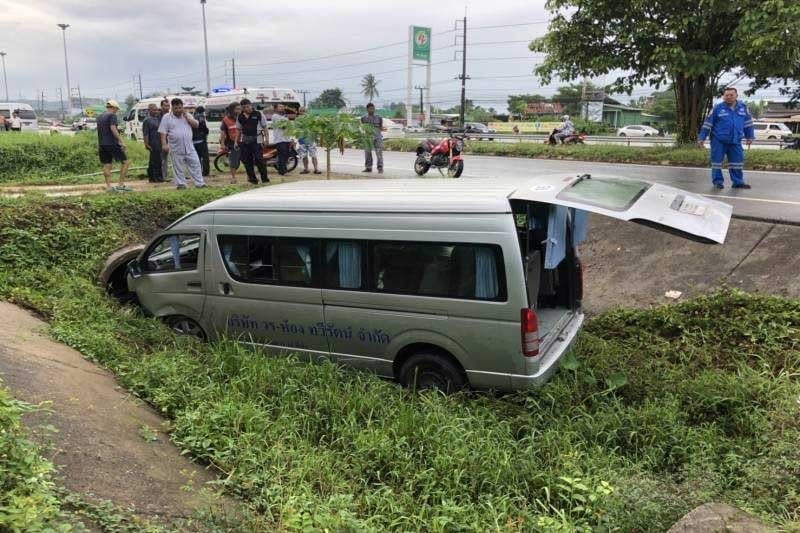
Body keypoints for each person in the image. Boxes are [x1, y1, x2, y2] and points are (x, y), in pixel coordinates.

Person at [697, 87, 754, 189]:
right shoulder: (717, 108)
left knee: (737, 162)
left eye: (731, 95)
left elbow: (748, 124)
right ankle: (718, 182)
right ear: (723, 96)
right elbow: (707, 124)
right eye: (726, 95)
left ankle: (738, 182)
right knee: (716, 162)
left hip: (736, 140)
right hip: (719, 140)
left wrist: (750, 136)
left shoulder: (743, 108)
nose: (728, 97)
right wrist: (702, 138)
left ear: (736, 96)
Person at [158, 98, 205, 189]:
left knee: (195, 164)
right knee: (178, 167)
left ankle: (200, 183)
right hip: (175, 147)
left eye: (180, 108)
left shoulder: (187, 115)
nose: (178, 110)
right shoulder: (166, 117)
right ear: (172, 108)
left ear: (182, 107)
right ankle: (181, 184)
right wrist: (164, 144)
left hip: (189, 146)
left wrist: (186, 117)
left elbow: (196, 125)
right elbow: (163, 132)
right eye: (176, 108)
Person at [96, 100, 131, 192]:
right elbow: (113, 128)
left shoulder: (100, 117)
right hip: (111, 143)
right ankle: (121, 184)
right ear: (113, 107)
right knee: (125, 162)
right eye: (117, 109)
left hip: (102, 144)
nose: (117, 111)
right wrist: (121, 141)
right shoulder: (112, 116)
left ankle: (108, 187)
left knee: (107, 164)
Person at [237, 98, 269, 184]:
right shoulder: (240, 116)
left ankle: (265, 179)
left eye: (247, 107)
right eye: (243, 107)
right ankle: (253, 179)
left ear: (251, 105)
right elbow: (238, 130)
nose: (246, 109)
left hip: (257, 138)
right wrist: (236, 142)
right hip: (245, 139)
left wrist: (266, 139)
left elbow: (265, 127)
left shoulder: (258, 114)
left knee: (259, 159)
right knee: (247, 161)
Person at [220, 102, 242, 183]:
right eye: (237, 109)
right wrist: (222, 144)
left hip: (244, 142)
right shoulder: (226, 120)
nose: (239, 110)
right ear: (232, 110)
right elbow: (223, 132)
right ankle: (233, 178)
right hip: (232, 143)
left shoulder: (243, 117)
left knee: (247, 159)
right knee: (233, 161)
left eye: (240, 109)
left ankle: (250, 177)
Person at [296, 107, 322, 175]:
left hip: (310, 140)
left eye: (303, 111)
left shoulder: (310, 119)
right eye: (301, 111)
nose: (302, 112)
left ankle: (316, 169)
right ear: (299, 112)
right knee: (304, 156)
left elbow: (315, 128)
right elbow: (296, 130)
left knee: (313, 155)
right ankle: (306, 169)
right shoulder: (297, 120)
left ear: (306, 111)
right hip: (302, 140)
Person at [142, 104, 164, 183]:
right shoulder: (147, 120)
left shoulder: (157, 118)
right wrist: (146, 144)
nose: (156, 111)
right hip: (153, 143)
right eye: (154, 110)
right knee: (156, 161)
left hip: (159, 142)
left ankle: (153, 178)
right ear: (149, 110)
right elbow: (145, 133)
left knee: (155, 160)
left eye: (156, 110)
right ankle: (157, 177)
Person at [361, 103, 384, 173]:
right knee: (367, 152)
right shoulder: (364, 118)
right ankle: (368, 167)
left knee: (379, 152)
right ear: (367, 109)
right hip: (368, 137)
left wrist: (377, 132)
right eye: (370, 109)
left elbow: (380, 126)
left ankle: (380, 168)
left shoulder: (379, 117)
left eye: (373, 108)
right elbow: (363, 126)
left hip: (377, 136)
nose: (372, 110)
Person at [271, 103, 291, 175]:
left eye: (283, 106)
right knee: (282, 156)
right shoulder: (275, 116)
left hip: (287, 139)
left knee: (286, 156)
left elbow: (288, 126)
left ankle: (283, 170)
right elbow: (283, 126)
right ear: (275, 109)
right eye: (280, 107)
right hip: (280, 139)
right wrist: (287, 123)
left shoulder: (284, 116)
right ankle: (282, 171)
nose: (282, 108)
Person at [192, 105, 210, 179]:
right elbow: (203, 127)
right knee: (205, 156)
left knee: (197, 157)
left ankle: (198, 171)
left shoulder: (193, 116)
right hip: (201, 139)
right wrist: (206, 131)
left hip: (194, 140)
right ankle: (205, 171)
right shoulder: (201, 116)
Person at [158, 99, 172, 181]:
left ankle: (165, 175)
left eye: (168, 105)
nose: (167, 107)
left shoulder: (171, 115)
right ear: (162, 106)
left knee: (167, 159)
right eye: (165, 106)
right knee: (162, 159)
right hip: (160, 141)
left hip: (170, 140)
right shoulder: (158, 116)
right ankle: (162, 176)